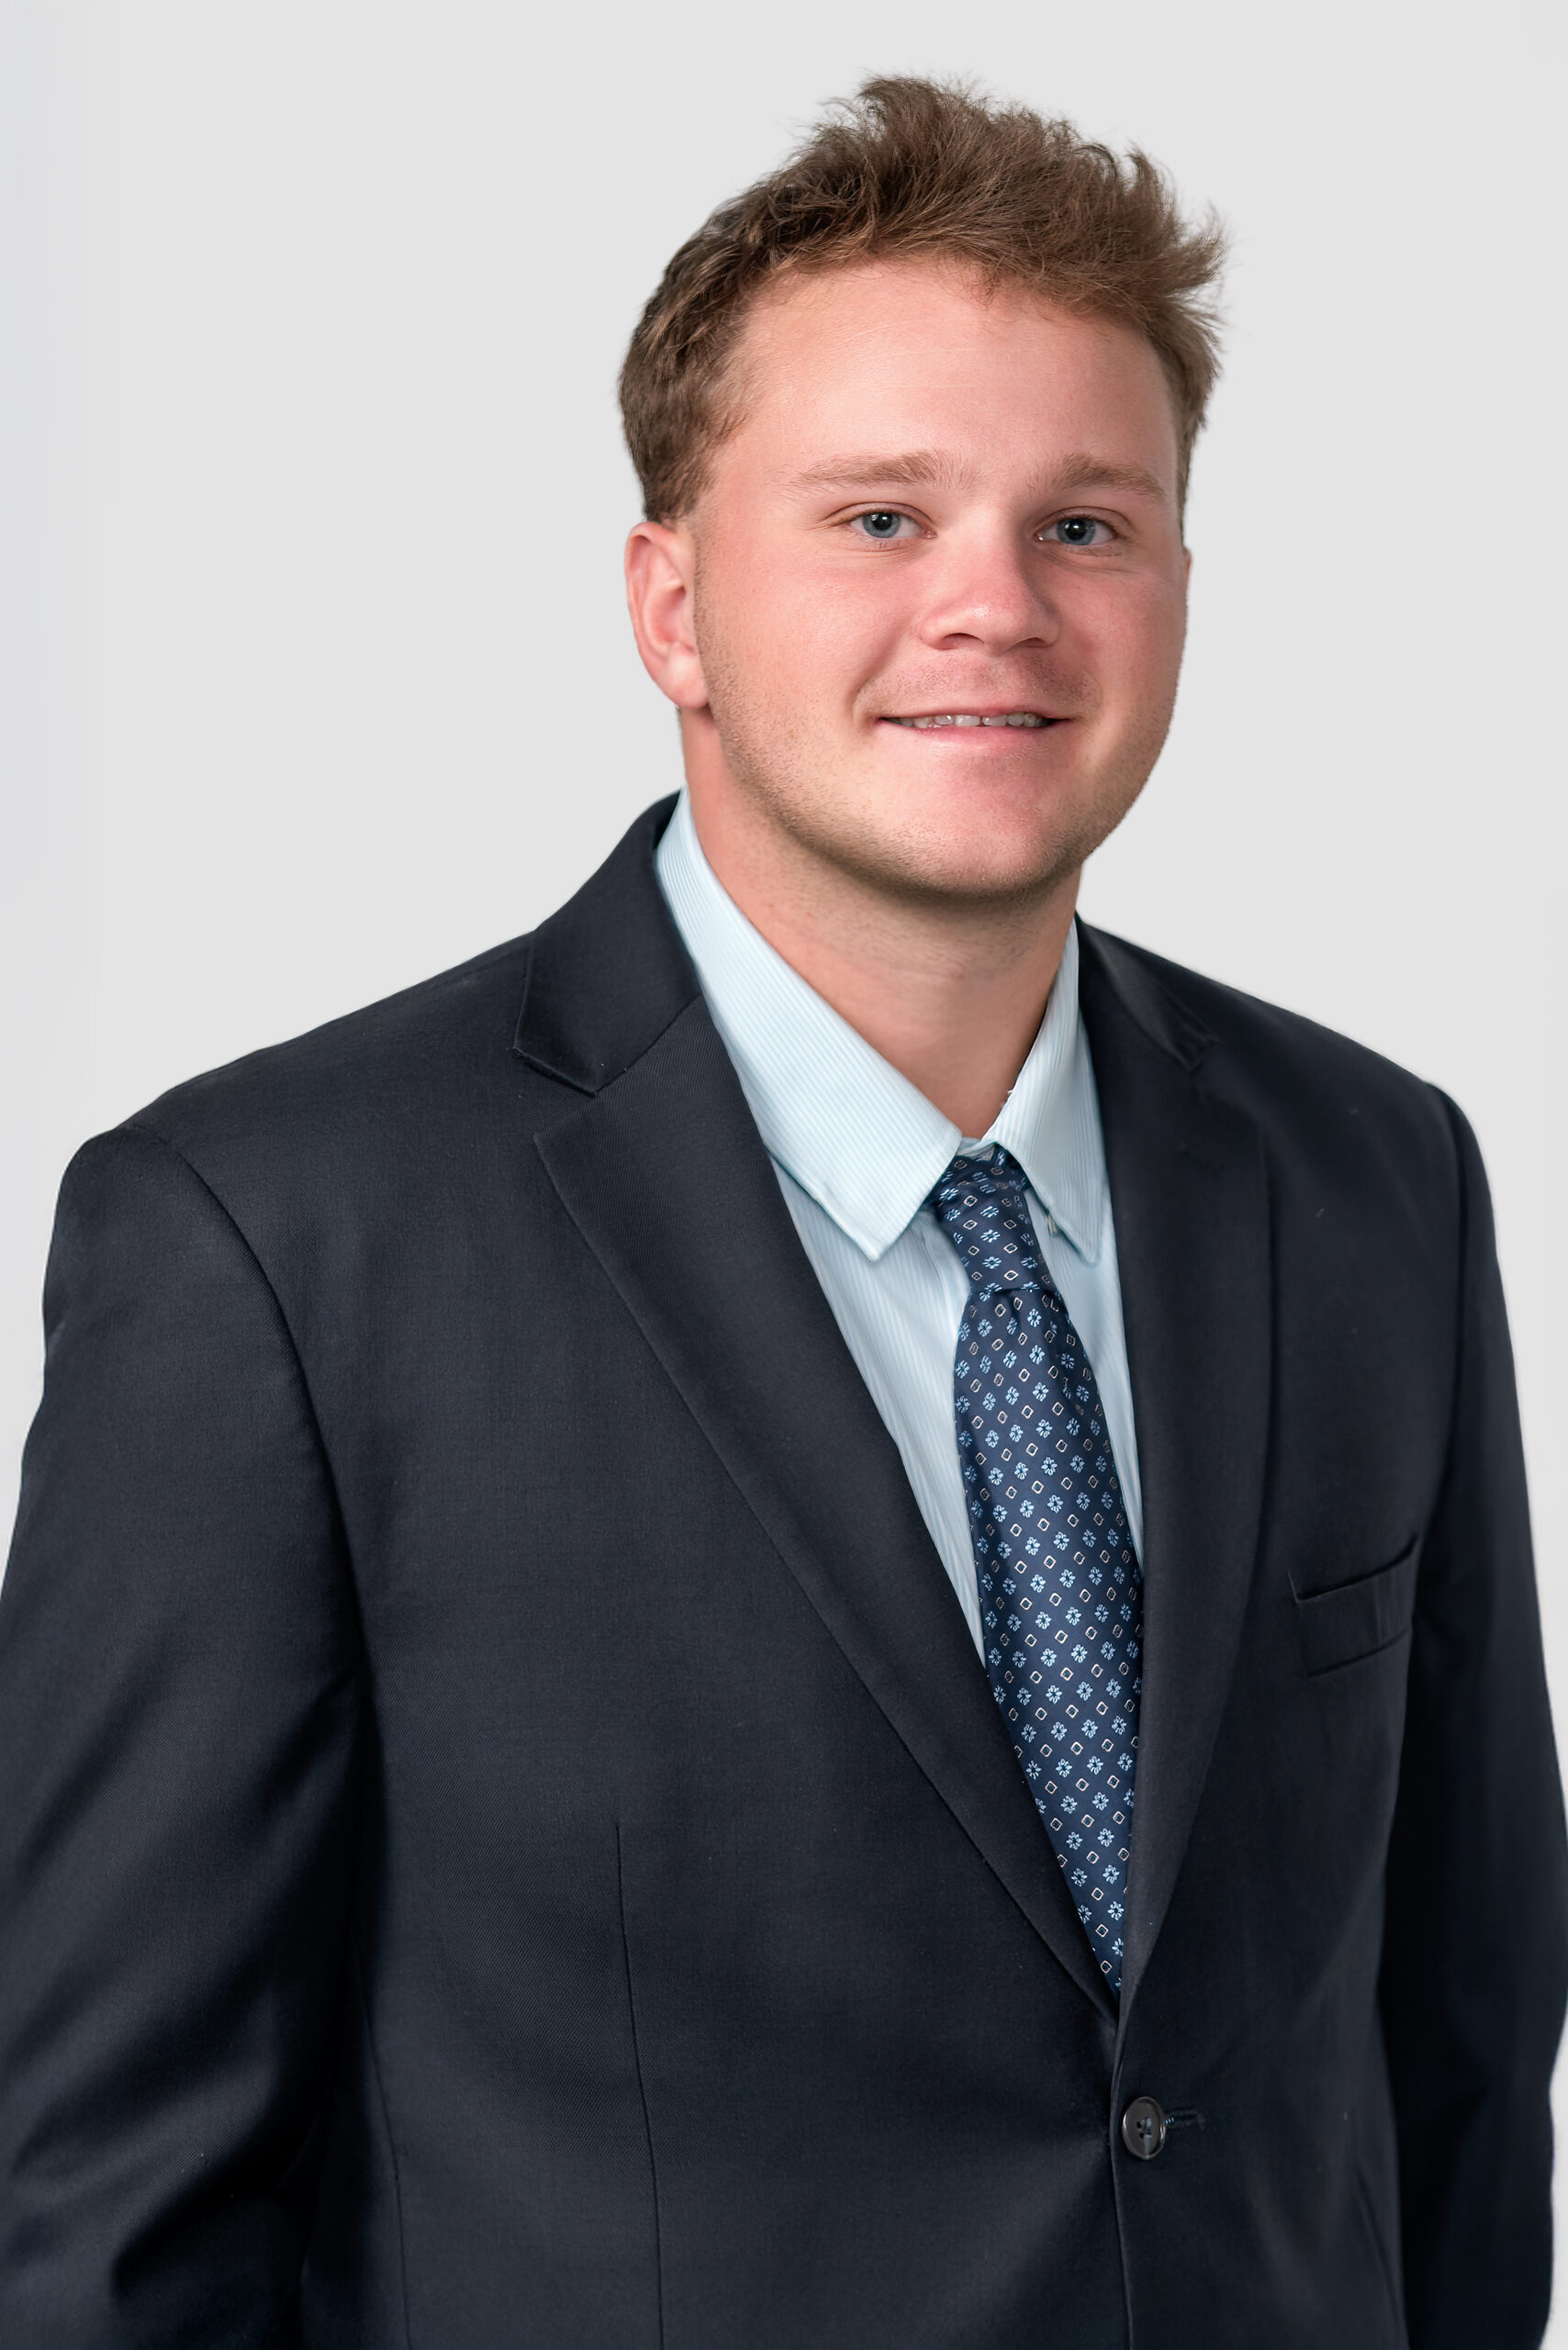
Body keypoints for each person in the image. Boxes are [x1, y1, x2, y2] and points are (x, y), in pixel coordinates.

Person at [0, 72, 1561, 2350]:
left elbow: (1462, 2055)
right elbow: (110, 2223)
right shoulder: (270, 1242)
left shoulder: (1369, 1175)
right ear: (672, 607)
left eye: (1083, 523)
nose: (991, 607)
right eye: (876, 516)